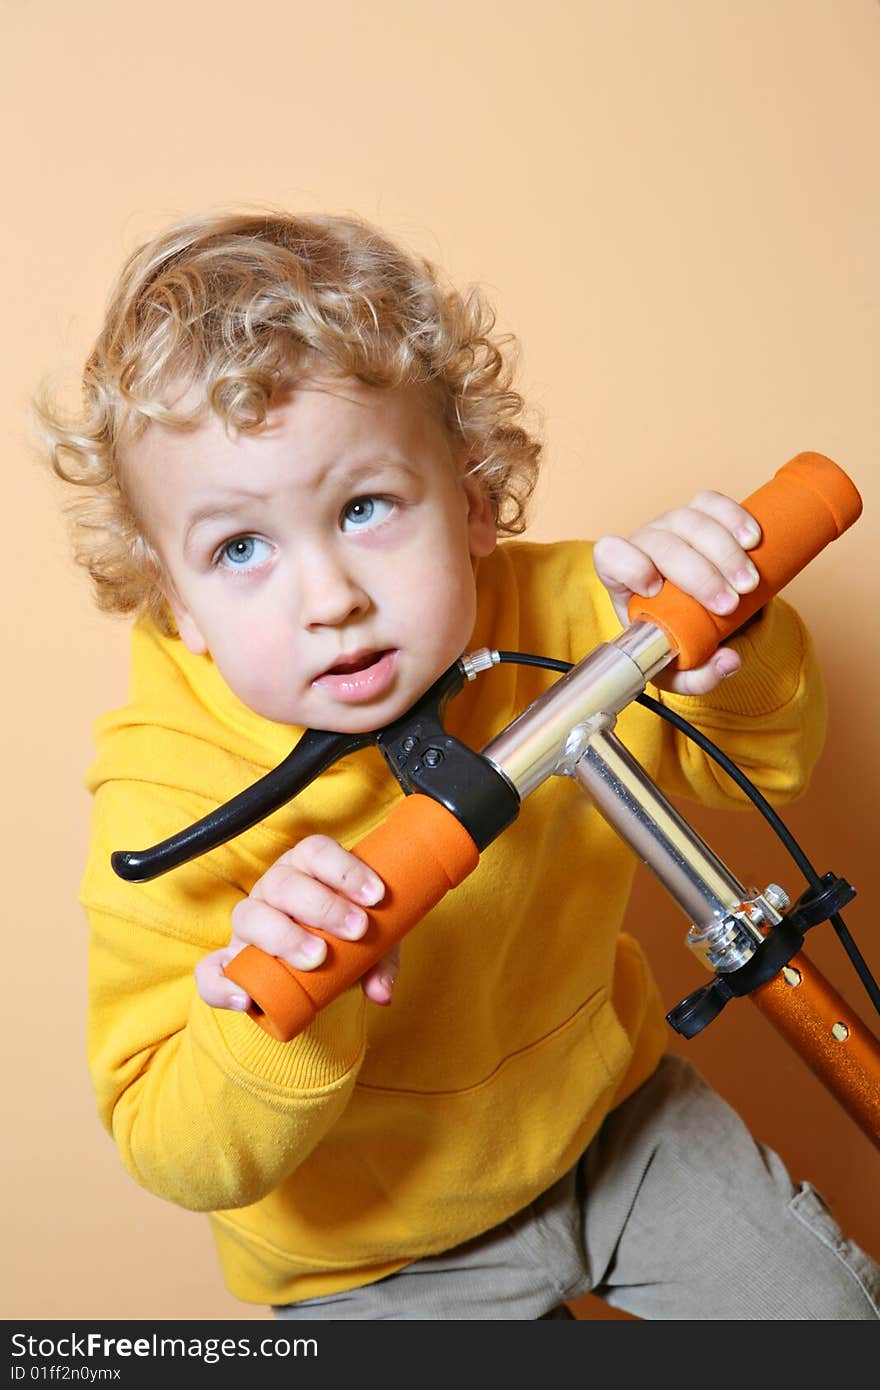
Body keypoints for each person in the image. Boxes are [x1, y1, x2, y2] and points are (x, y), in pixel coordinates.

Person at [38, 208, 879, 1321]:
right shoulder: (168, 793)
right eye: (240, 547)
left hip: (612, 1128)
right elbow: (178, 1151)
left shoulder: (573, 612)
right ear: (174, 600)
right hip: (370, 1255)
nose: (328, 597)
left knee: (828, 1319)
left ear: (476, 496)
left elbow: (756, 773)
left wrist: (727, 640)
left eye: (366, 507)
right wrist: (280, 1002)